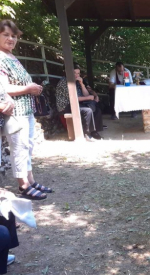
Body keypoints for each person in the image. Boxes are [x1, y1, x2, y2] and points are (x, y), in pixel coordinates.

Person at [0, 20, 52, 200]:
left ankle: (31, 180)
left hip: (26, 110)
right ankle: (23, 185)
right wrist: (29, 89)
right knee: (19, 148)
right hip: (14, 113)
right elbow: (3, 88)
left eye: (13, 36)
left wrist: (31, 87)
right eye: (6, 35)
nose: (11, 39)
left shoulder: (11, 57)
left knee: (27, 147)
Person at [56, 64, 104, 141]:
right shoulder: (64, 82)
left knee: (97, 108)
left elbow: (86, 94)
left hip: (76, 103)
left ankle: (94, 131)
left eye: (78, 73)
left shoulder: (77, 81)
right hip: (66, 106)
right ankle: (86, 134)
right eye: (74, 73)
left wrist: (82, 84)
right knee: (88, 110)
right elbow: (73, 99)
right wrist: (88, 98)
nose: (76, 75)